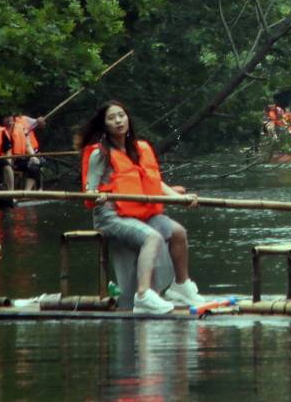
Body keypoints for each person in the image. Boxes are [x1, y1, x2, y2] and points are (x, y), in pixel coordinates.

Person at [82, 99, 203, 313]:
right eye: (111, 118)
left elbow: (155, 181)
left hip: (139, 214)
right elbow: (89, 189)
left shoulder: (140, 148)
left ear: (128, 118)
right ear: (105, 125)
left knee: (178, 233)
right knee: (152, 237)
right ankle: (143, 295)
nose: (118, 121)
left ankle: (181, 286)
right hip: (110, 217)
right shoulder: (100, 153)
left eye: (121, 115)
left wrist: (178, 197)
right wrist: (97, 195)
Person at [7, 111, 45, 190]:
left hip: (23, 157)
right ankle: (11, 192)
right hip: (8, 160)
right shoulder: (1, 130)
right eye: (6, 117)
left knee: (35, 164)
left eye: (10, 117)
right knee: (7, 166)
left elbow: (27, 145)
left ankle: (27, 192)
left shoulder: (21, 126)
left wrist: (33, 156)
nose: (8, 120)